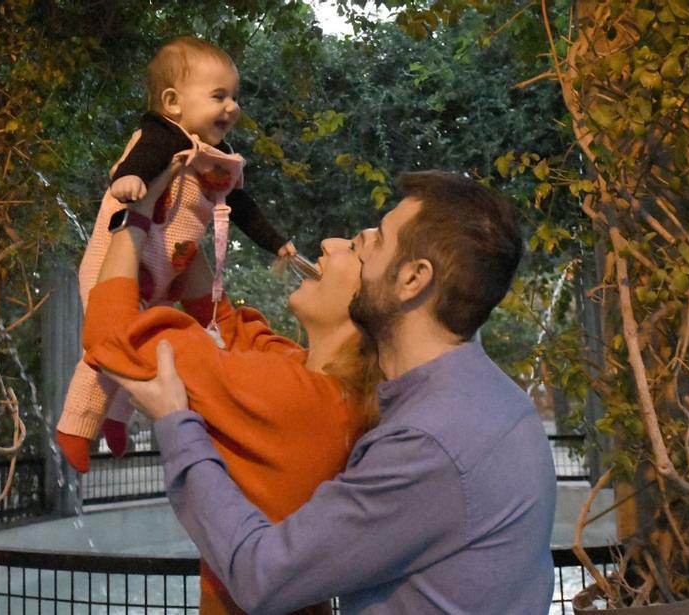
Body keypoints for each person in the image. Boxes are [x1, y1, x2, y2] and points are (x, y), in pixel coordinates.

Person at [107, 171, 558, 614]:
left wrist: (175, 425)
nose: (352, 241)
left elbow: (263, 577)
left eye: (378, 239)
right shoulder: (493, 401)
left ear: (414, 279)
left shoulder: (427, 443)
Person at [73, 161, 381, 614]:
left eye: (354, 249)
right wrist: (182, 226)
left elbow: (112, 334)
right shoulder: (321, 384)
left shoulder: (294, 395)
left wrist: (134, 219)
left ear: (371, 304)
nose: (330, 243)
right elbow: (227, 328)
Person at [57, 36, 296, 471]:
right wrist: (130, 180)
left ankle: (116, 416)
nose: (231, 108)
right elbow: (140, 161)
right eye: (219, 96)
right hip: (117, 263)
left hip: (168, 267)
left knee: (146, 348)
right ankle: (75, 426)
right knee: (106, 348)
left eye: (234, 97)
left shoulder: (217, 157)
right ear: (173, 103)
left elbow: (241, 205)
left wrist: (274, 240)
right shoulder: (161, 136)